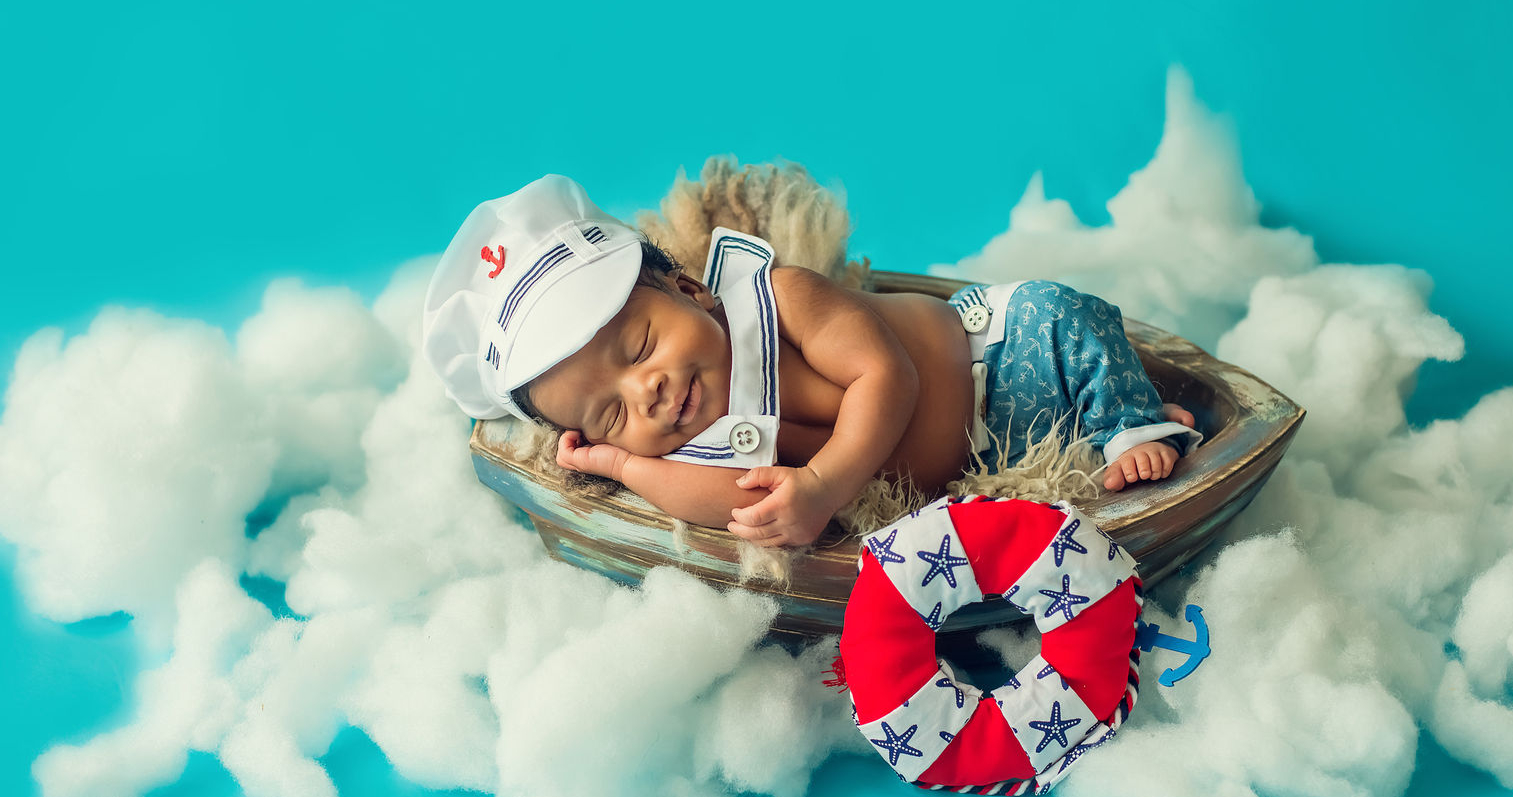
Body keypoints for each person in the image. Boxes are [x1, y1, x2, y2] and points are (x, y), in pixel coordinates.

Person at [422, 175, 1199, 547]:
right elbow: (715, 498)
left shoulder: (780, 301)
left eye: (639, 347)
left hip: (991, 366)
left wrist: (824, 485)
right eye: (611, 411)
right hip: (982, 460)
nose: (648, 392)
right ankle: (1116, 416)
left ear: (691, 289)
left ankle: (1131, 422)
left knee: (1066, 315)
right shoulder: (687, 438)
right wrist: (621, 469)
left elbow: (884, 378)